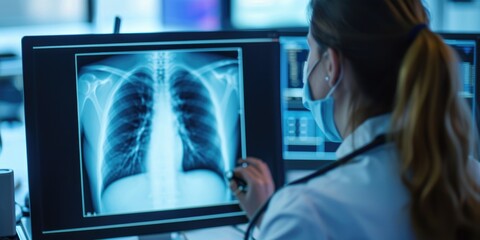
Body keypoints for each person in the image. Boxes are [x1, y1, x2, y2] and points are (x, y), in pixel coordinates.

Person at [229, 0, 480, 239]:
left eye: (311, 50)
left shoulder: (307, 212)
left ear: (332, 66)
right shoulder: (470, 179)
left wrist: (276, 220)